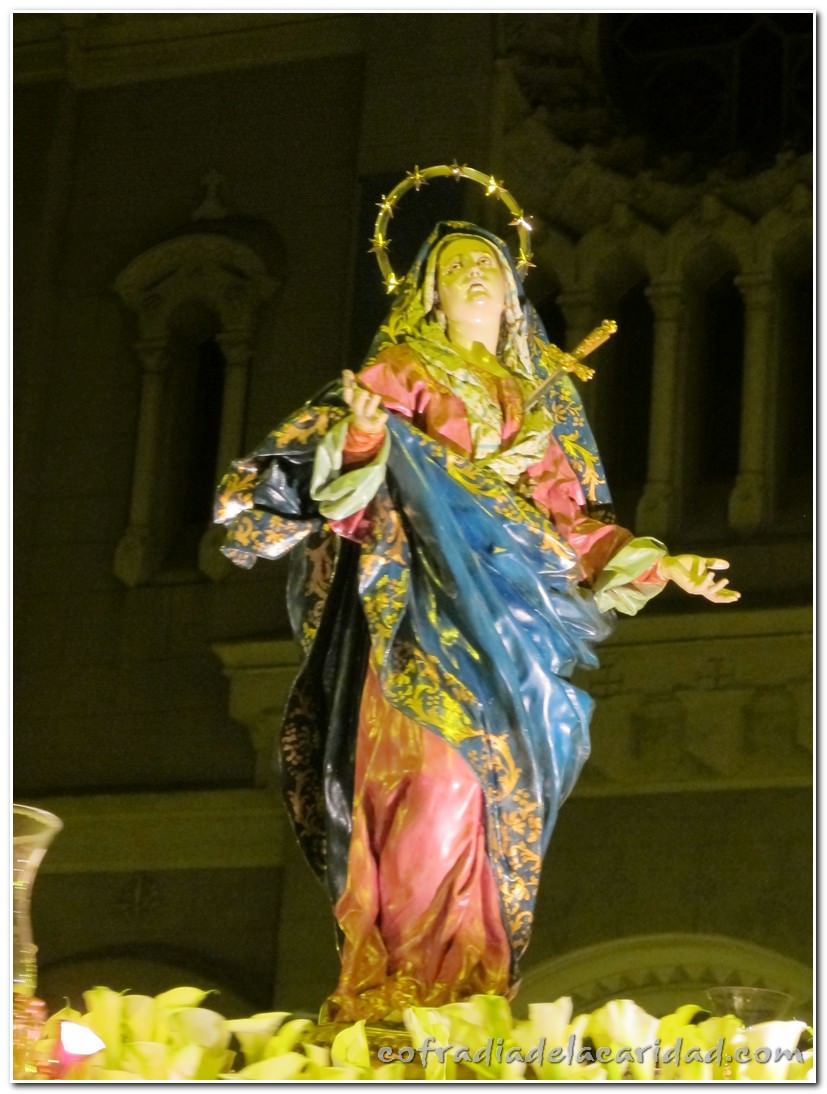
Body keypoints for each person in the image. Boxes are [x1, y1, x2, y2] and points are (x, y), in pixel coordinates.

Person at [214, 219, 738, 1023]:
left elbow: (572, 524)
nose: (473, 275)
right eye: (455, 265)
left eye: (487, 266)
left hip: (515, 625)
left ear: (512, 295)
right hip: (418, 610)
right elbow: (345, 490)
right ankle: (396, 988)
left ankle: (468, 989)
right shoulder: (402, 369)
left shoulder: (538, 399)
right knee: (426, 783)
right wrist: (364, 435)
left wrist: (663, 566)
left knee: (493, 799)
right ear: (429, 293)